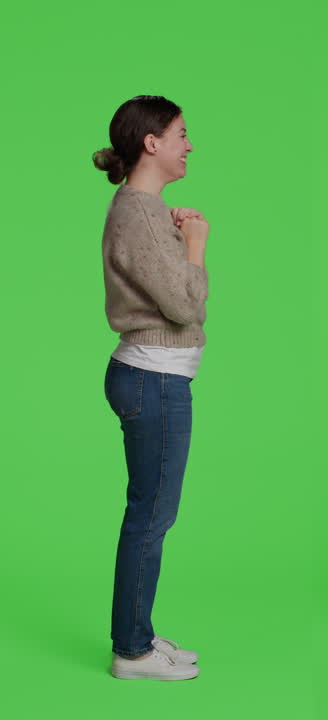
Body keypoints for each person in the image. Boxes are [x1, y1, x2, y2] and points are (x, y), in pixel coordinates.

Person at [94, 95, 208, 680]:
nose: (190, 145)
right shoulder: (139, 213)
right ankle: (132, 651)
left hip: (153, 377)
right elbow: (185, 305)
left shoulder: (144, 210)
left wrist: (179, 237)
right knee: (151, 516)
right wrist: (196, 245)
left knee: (151, 512)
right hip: (152, 378)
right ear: (152, 142)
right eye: (181, 134)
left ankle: (136, 632)